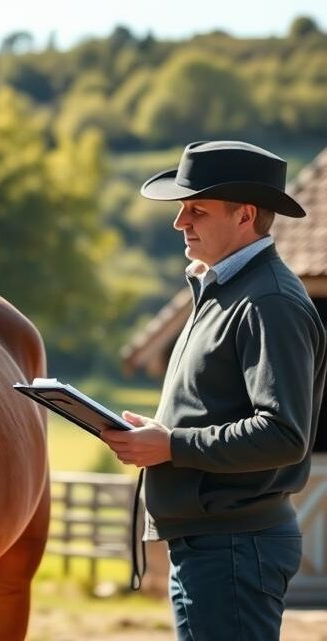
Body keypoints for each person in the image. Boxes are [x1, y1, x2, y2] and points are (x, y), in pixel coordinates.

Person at [101, 140, 327, 640]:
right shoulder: (232, 292)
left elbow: (282, 434)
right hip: (218, 545)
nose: (180, 223)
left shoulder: (269, 302)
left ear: (245, 215)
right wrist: (165, 435)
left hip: (233, 547)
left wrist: (170, 445)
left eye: (195, 209)